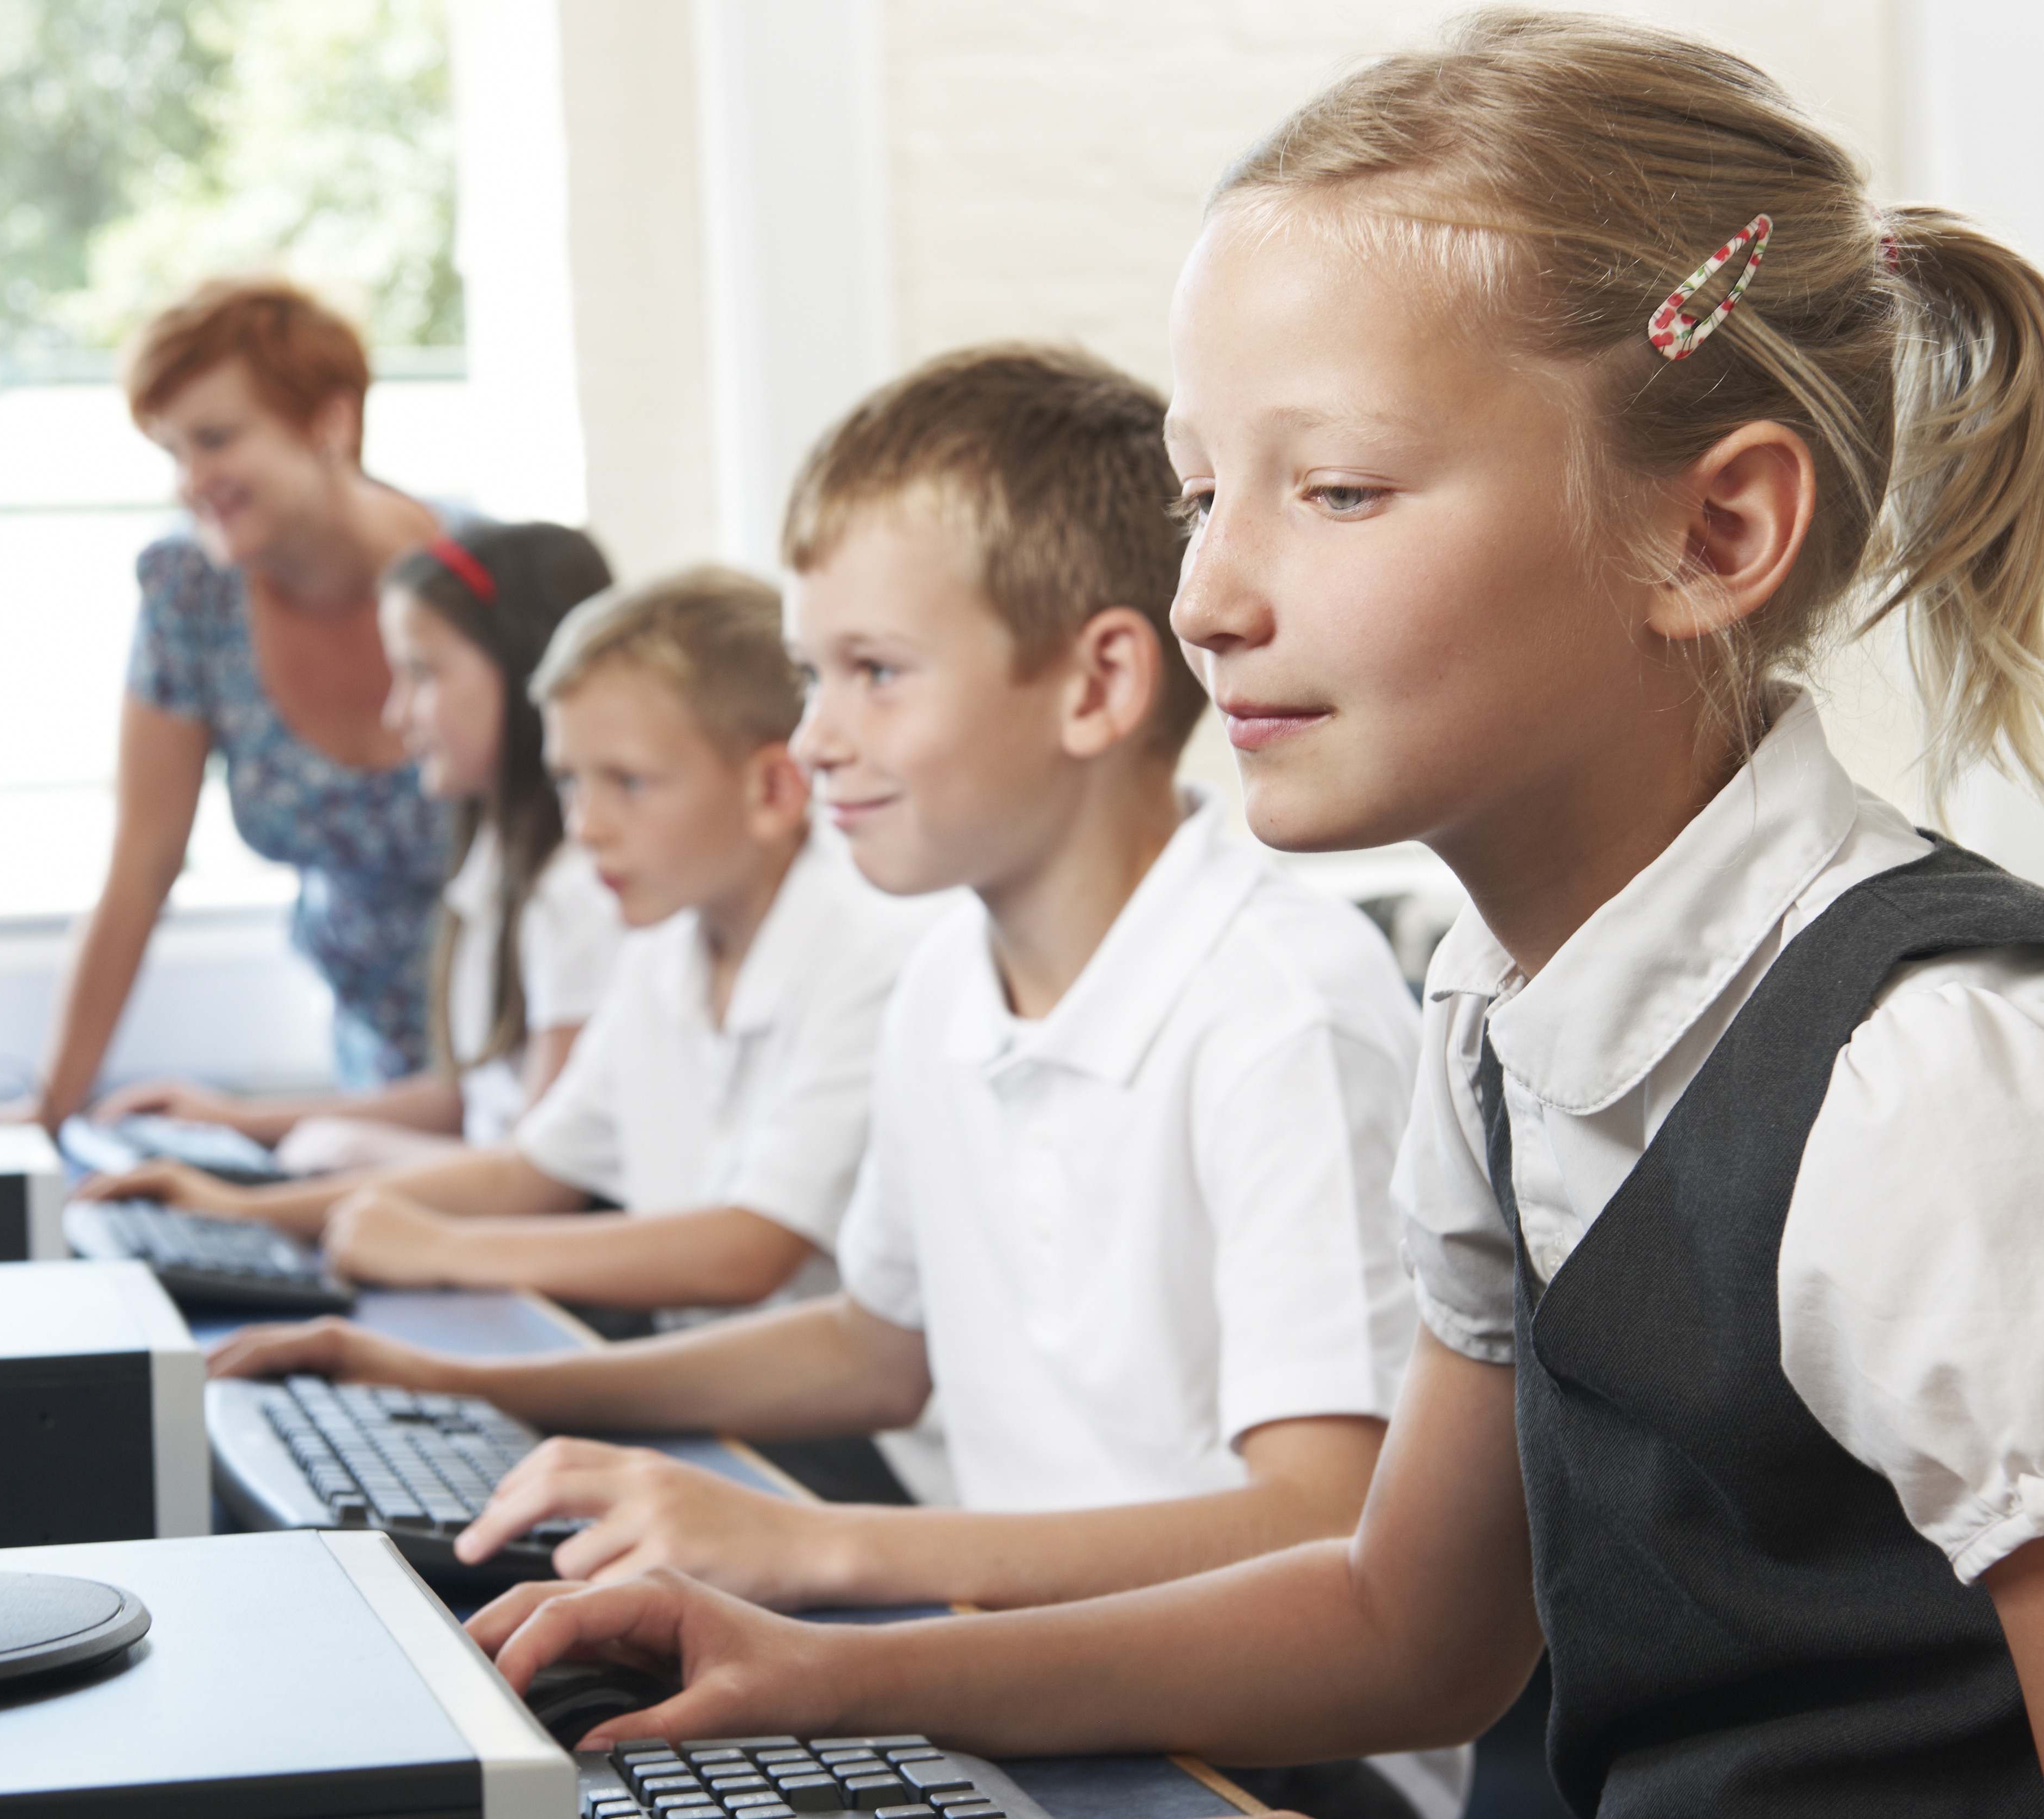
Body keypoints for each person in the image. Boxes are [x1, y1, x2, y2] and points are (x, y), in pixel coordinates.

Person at [454, 14, 2044, 1816]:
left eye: (1335, 490)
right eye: (1198, 494)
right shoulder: (1495, 1020)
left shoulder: (1942, 1083)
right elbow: (1406, 1627)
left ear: (1712, 534)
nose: (1205, 597)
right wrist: (828, 1671)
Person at [212, 345, 1461, 1818]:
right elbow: (879, 1346)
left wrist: (824, 1550)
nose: (814, 738)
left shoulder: (1280, 1009)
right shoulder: (949, 975)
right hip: (1021, 1661)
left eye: (873, 672)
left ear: (1099, 682)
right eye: (813, 675)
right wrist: (461, 1381)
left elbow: (1321, 1523)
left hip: (1267, 1752)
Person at [154, 567, 940, 1321]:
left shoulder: (869, 952)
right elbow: (529, 1172)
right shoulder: (662, 951)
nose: (584, 826)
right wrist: (239, 1213)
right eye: (570, 782)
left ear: (773, 791)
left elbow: (748, 1249)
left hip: (847, 1442)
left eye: (627, 783)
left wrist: (447, 1250)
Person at [79, 521, 625, 1184]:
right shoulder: (494, 864)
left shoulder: (578, 890)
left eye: (422, 675)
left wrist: (273, 1197)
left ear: (523, 672)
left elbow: (541, 1177)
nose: (397, 716)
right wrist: (238, 1121)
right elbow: (472, 1097)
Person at [32, 276, 457, 1125]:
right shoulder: (190, 592)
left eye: (216, 439)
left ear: (331, 424)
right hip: (370, 1069)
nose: (192, 481)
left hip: (517, 1054)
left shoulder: (478, 583)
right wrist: (48, 1119)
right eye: (172, 452)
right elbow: (141, 866)